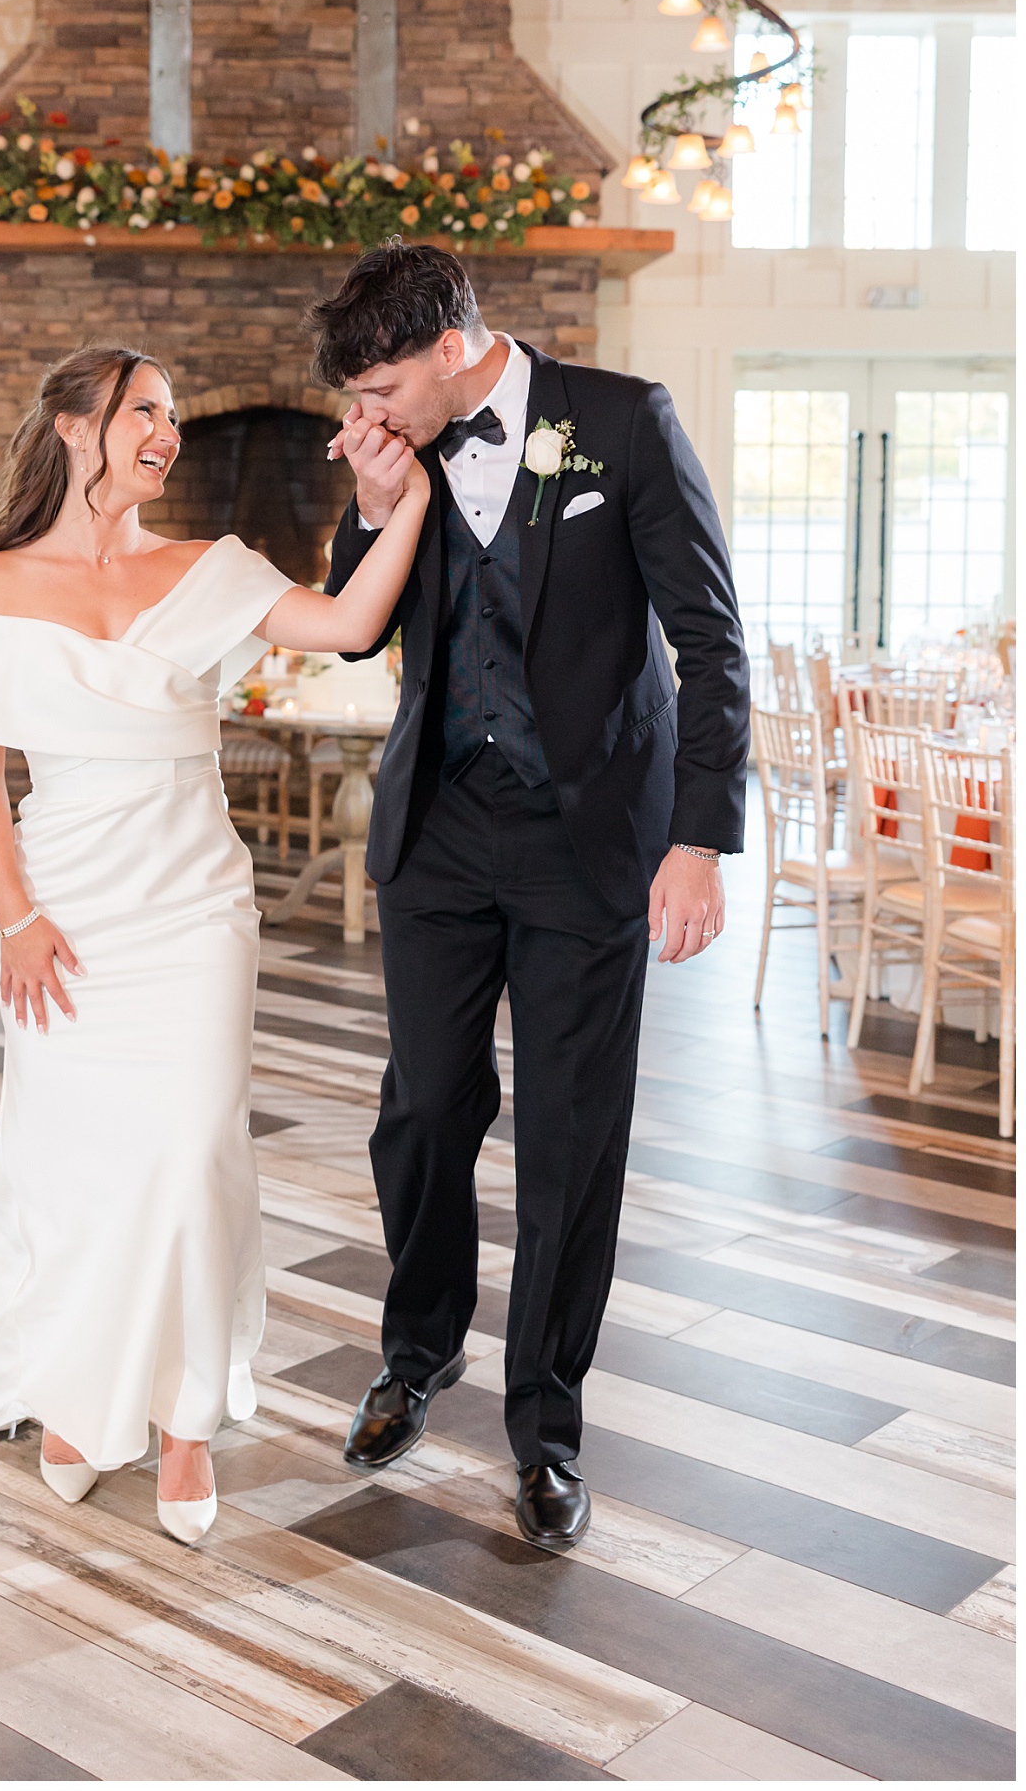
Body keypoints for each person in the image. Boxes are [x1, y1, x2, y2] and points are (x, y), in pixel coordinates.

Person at [0, 342, 429, 1544]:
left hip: (194, 906)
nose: (165, 430)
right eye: (141, 410)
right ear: (70, 425)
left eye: (170, 414)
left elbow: (355, 621)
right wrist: (16, 915)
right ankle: (74, 1385)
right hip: (65, 905)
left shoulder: (210, 566)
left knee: (193, 1148)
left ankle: (188, 1414)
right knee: (77, 1150)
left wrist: (395, 493)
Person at [309, 240, 750, 1551]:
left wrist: (700, 838)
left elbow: (712, 637)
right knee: (428, 1109)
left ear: (452, 344)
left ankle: (547, 1427)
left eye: (384, 385)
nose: (366, 415)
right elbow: (351, 618)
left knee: (571, 1140)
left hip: (590, 837)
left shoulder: (619, 421)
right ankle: (418, 1348)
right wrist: (381, 507)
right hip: (440, 833)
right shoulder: (399, 449)